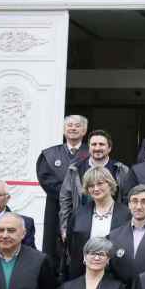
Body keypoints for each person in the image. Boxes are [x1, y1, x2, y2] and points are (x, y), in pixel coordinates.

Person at [59, 130, 131, 241]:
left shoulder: (121, 169)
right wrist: (65, 228)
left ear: (109, 148)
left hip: (115, 226)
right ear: (89, 148)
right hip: (82, 226)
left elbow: (128, 198)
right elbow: (65, 200)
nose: (97, 148)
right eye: (94, 144)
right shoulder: (75, 169)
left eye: (101, 144)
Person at [37, 114, 88, 268]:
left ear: (84, 130)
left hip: (84, 207)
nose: (73, 128)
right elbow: (45, 179)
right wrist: (67, 194)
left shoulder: (92, 152)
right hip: (55, 206)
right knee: (53, 245)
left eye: (77, 125)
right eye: (69, 125)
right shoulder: (49, 154)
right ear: (64, 130)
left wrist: (79, 195)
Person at [65, 167, 130, 280]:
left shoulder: (127, 214)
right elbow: (71, 246)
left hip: (117, 276)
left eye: (100, 183)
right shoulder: (78, 214)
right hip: (83, 275)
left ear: (110, 184)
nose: (95, 188)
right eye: (91, 185)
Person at [107, 185, 145, 287]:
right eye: (134, 201)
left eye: (144, 201)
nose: (139, 206)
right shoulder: (113, 236)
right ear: (129, 205)